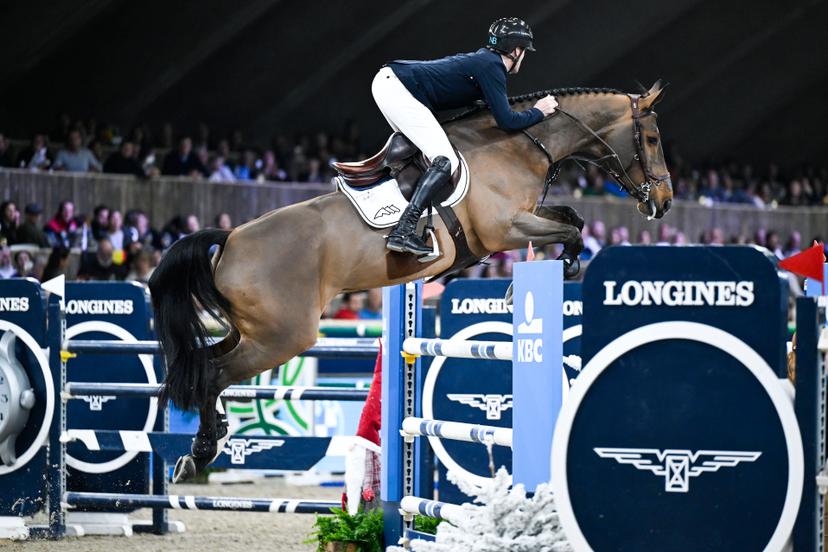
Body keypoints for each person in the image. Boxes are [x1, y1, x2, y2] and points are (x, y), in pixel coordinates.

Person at [373, 17, 558, 256]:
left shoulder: (485, 60)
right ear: (516, 51)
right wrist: (539, 111)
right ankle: (403, 231)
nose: (523, 57)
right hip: (398, 88)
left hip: (391, 83)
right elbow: (508, 121)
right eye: (524, 51)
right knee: (445, 160)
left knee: (421, 155)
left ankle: (392, 213)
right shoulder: (493, 66)